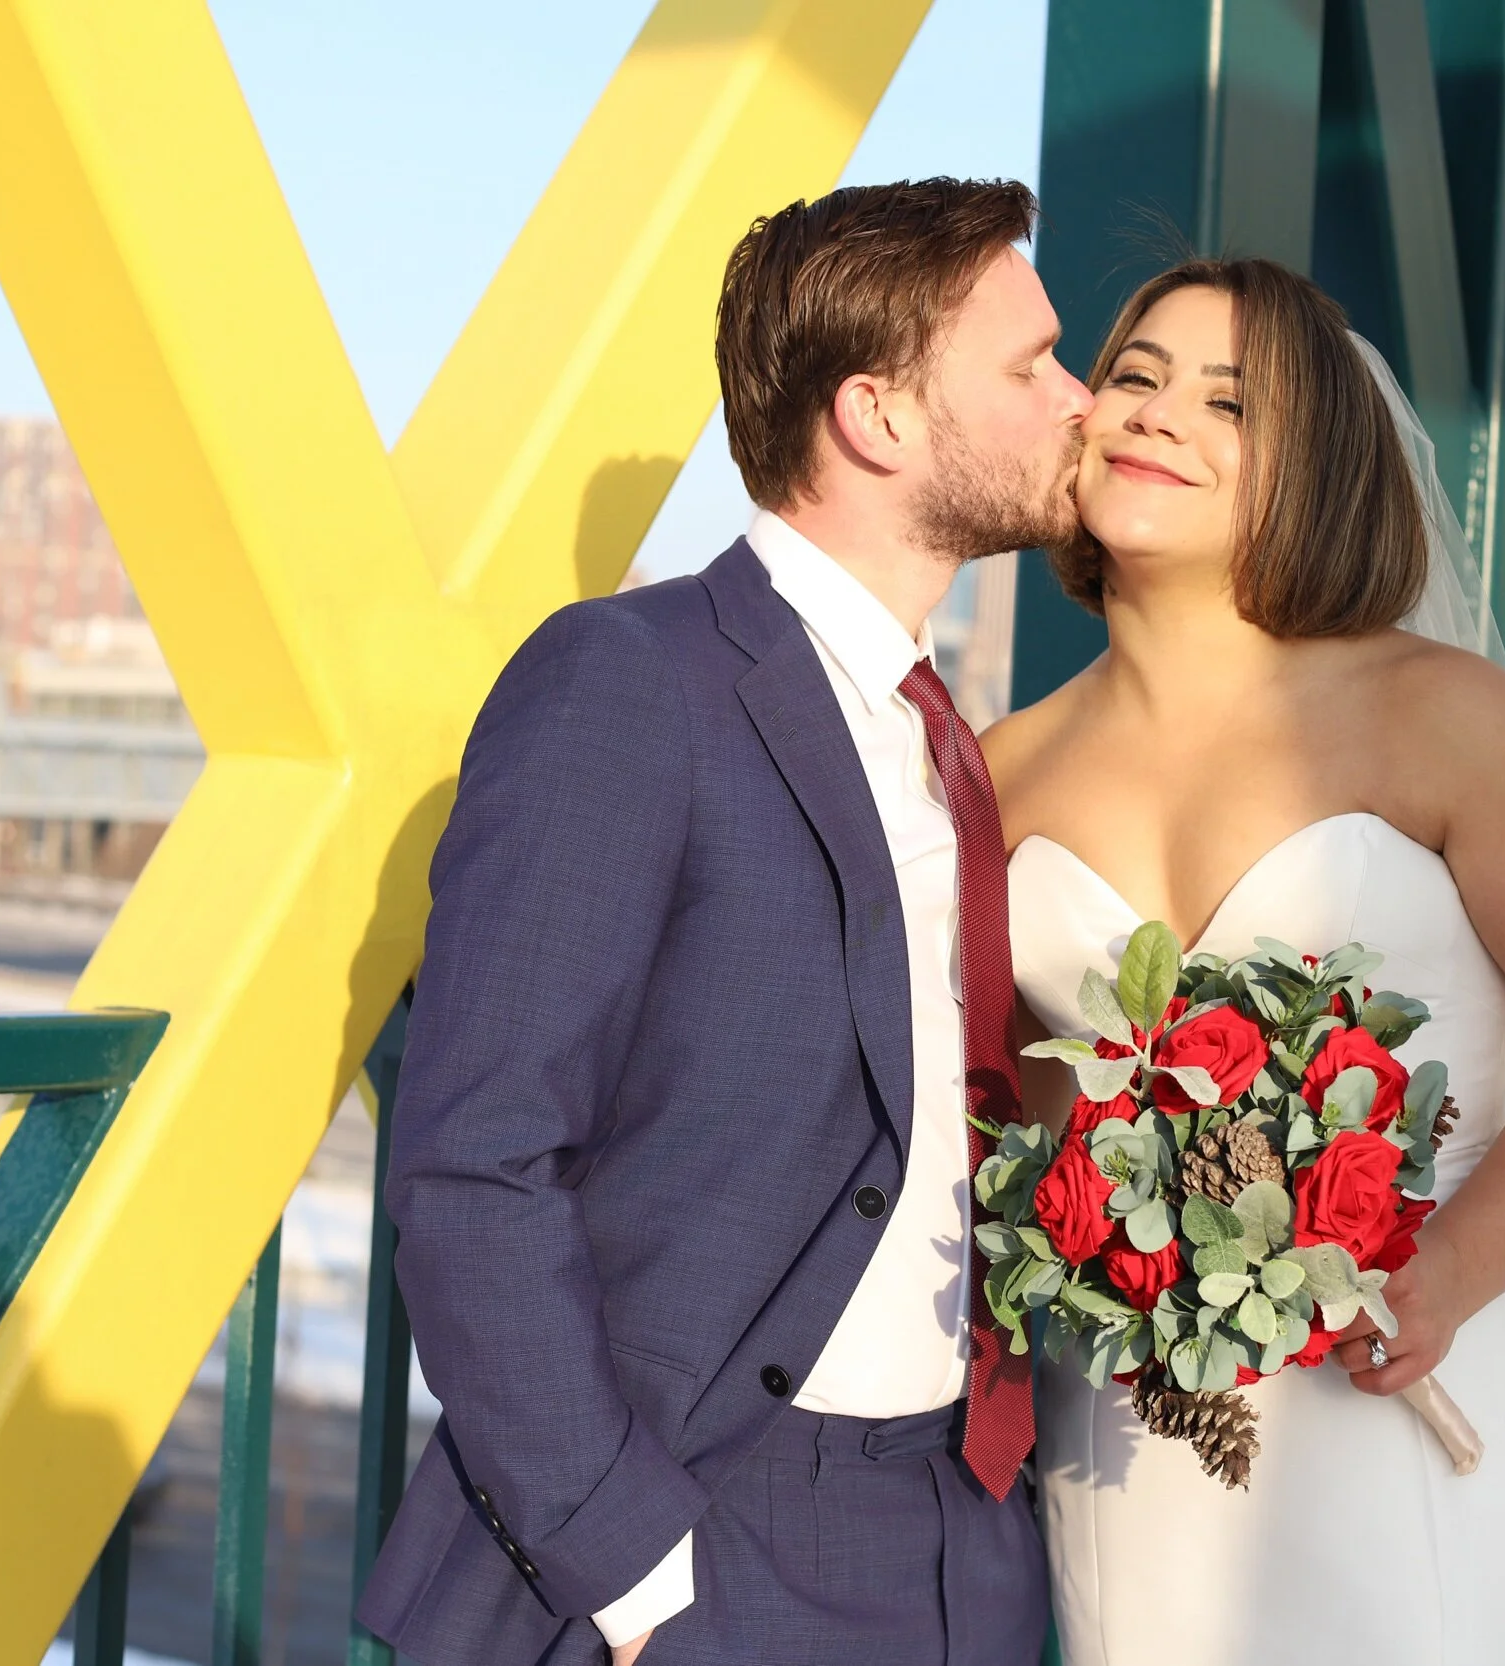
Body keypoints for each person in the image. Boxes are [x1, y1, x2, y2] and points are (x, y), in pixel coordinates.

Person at [354, 178, 1089, 1666]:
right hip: (715, 1536)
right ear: (875, 415)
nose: (1079, 401)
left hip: (964, 1533)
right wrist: (641, 1574)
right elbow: (474, 1163)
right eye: (1030, 366)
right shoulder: (626, 681)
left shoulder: (948, 737)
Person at [982, 257, 1505, 1664]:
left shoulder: (1446, 718)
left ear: (1313, 461)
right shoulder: (1000, 768)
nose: (1156, 413)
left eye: (1226, 400)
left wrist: (1444, 1274)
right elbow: (1007, 1112)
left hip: (1415, 1370)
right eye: (1133, 376)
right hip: (1146, 1415)